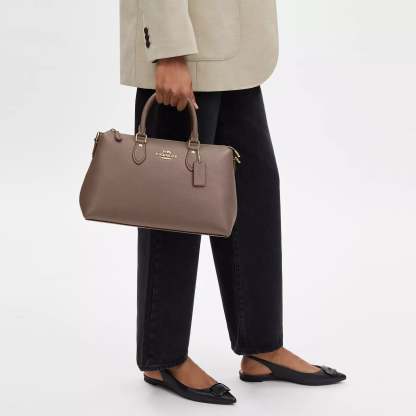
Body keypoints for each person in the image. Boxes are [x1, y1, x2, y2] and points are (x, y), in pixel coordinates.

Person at [119, 0, 346, 405]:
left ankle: (262, 348)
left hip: (231, 50)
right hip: (186, 52)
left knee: (255, 194)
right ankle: (162, 356)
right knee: (175, 209)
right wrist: (169, 51)